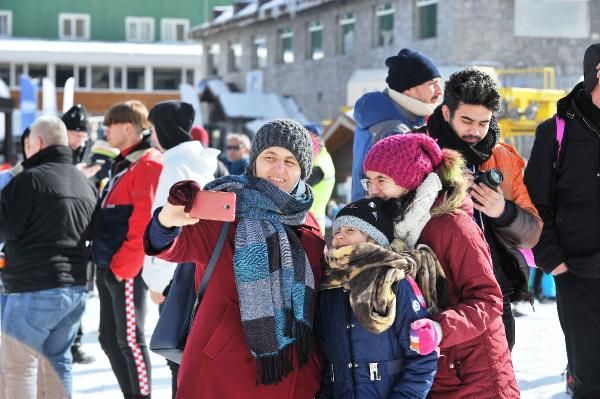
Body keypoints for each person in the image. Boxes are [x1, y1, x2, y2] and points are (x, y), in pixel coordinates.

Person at [144, 119, 325, 398]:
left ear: (303, 170)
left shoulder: (308, 220)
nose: (279, 169)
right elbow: (169, 245)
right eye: (270, 157)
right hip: (220, 374)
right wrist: (168, 218)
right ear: (254, 162)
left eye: (291, 161)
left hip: (290, 374)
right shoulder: (224, 207)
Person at [363, 133, 519, 398]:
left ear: (408, 180)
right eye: (369, 180)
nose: (372, 190)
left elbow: (489, 300)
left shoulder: (453, 226)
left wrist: (439, 328)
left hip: (473, 375)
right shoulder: (392, 227)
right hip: (431, 372)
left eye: (382, 180)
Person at [424, 68, 542, 350]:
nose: (475, 131)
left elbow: (532, 233)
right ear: (445, 113)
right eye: (466, 120)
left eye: (484, 122)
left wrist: (503, 211)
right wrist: (441, 191)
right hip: (434, 295)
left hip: (493, 292)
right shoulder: (418, 150)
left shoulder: (502, 156)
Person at [0, 116, 97, 398]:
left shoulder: (29, 180)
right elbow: (95, 230)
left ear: (37, 143)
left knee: (19, 367)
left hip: (33, 288)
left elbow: (5, 229)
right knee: (58, 362)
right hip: (75, 290)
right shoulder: (83, 182)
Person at [524, 42, 600, 398]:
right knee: (589, 377)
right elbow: (537, 202)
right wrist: (554, 263)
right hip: (577, 274)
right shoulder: (554, 132)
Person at [316, 197, 438, 398]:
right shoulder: (329, 290)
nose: (339, 237)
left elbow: (423, 357)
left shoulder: (395, 282)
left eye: (350, 231)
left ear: (373, 239)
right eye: (337, 232)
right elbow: (328, 363)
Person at [142, 100, 219, 398]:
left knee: (179, 361)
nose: (151, 136)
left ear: (162, 129)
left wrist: (158, 281)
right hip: (198, 271)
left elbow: (167, 224)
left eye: (152, 129)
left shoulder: (174, 165)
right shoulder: (201, 161)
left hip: (176, 276)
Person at [91, 100, 163, 399]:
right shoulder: (125, 162)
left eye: (110, 124)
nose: (104, 129)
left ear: (128, 127)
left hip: (125, 268)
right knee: (109, 338)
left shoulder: (147, 163)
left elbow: (143, 224)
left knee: (129, 339)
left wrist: (123, 268)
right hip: (110, 264)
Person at [351, 48, 442, 201]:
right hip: (381, 217)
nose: (439, 90)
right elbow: (396, 193)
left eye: (439, 83)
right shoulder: (394, 131)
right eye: (432, 84)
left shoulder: (382, 116)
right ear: (408, 90)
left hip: (367, 213)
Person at [305, 124, 335, 235]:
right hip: (311, 223)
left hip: (309, 226)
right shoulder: (322, 158)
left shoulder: (318, 166)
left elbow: (294, 190)